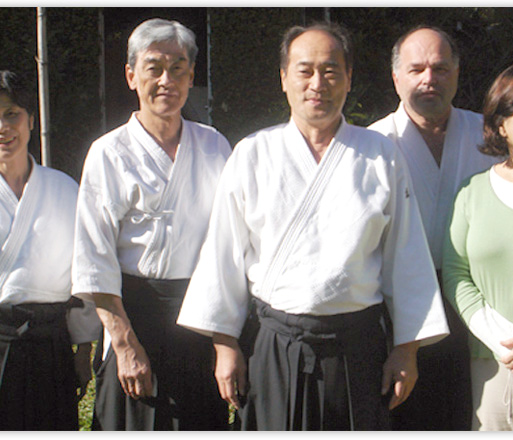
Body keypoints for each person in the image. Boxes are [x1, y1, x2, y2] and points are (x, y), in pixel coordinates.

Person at [177, 22, 449, 431]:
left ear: (349, 78)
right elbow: (223, 254)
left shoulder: (380, 155)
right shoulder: (253, 153)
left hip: (357, 347)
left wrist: (406, 350)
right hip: (275, 344)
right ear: (284, 78)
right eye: (304, 71)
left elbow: (405, 254)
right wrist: (225, 344)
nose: (317, 83)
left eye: (331, 70)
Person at [71, 18, 231, 431]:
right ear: (130, 75)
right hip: (133, 315)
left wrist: (226, 339)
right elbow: (93, 256)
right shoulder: (108, 153)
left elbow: (230, 244)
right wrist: (123, 344)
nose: (167, 80)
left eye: (178, 68)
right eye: (154, 67)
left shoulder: (214, 145)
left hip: (197, 317)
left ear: (192, 76)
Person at [368, 25, 499, 430]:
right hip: (397, 308)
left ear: (457, 74)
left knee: (474, 416)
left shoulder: (489, 137)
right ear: (396, 77)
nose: (429, 79)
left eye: (440, 69)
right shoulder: (371, 145)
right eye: (417, 69)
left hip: (479, 302)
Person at [0, 69, 99, 430]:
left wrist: (85, 347)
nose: (1, 128)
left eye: (11, 114)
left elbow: (84, 271)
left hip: (50, 344)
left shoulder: (64, 189)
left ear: (30, 119)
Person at [443, 62, 513, 431]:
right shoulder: (472, 193)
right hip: (493, 365)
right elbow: (456, 275)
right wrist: (509, 346)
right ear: (502, 124)